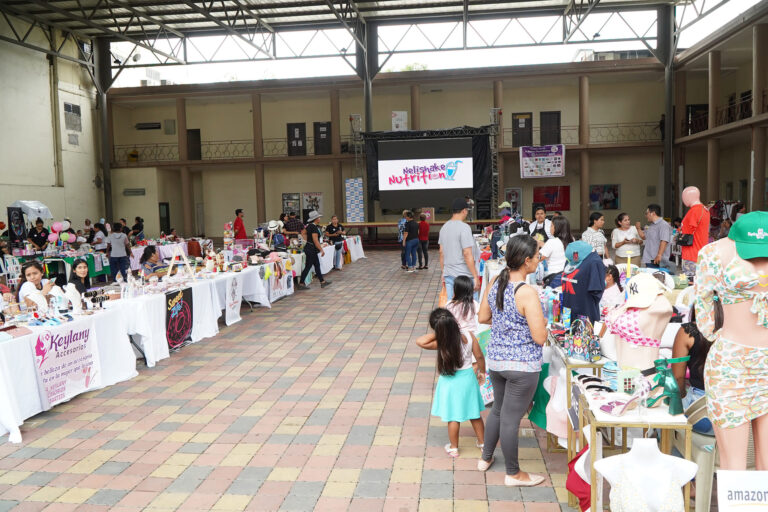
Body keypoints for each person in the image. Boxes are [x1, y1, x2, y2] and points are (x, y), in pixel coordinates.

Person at [477, 235, 547, 486]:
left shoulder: (497, 281)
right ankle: (513, 473)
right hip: (522, 366)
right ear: (527, 261)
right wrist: (543, 325)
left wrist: (506, 324)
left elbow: (483, 316)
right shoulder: (526, 291)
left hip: (496, 360)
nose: (540, 260)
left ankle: (485, 458)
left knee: (498, 410)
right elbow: (539, 337)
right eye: (538, 256)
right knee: (510, 418)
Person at [416, 308, 485, 458]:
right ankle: (483, 444)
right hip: (467, 378)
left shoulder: (442, 343)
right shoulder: (469, 335)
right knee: (475, 414)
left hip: (449, 381)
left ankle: (454, 448)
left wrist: (441, 332)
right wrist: (483, 372)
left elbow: (420, 341)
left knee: (453, 417)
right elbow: (479, 357)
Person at [671, 309, 714, 435]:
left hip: (701, 413)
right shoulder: (745, 331)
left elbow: (677, 378)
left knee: (665, 411)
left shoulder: (688, 331)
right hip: (742, 415)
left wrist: (682, 395)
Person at [439, 198, 481, 300]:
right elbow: (467, 253)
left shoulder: (444, 227)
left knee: (452, 308)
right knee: (470, 310)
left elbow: (441, 252)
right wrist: (475, 276)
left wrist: (443, 272)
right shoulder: (464, 227)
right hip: (464, 277)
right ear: (464, 211)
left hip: (449, 274)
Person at [561, 240, 605, 323]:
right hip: (567, 312)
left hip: (584, 314)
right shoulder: (570, 260)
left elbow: (596, 291)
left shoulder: (594, 263)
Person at [680, 186, 711, 282]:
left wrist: (680, 230)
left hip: (691, 253)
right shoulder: (705, 210)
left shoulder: (694, 211)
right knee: (699, 283)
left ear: (689, 197)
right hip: (700, 252)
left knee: (688, 283)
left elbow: (688, 229)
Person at [297, 211, 332, 290]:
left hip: (309, 248)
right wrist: (321, 250)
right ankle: (301, 283)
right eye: (318, 217)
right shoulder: (314, 227)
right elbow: (315, 241)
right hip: (311, 249)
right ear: (316, 219)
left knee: (316, 265)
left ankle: (322, 282)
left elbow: (303, 233)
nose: (320, 218)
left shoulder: (309, 226)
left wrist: (307, 241)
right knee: (309, 266)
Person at [636, 204, 673, 271]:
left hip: (658, 260)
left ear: (653, 213)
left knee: (659, 279)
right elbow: (644, 237)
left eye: (647, 213)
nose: (646, 216)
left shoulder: (663, 225)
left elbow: (664, 241)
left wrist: (659, 255)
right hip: (649, 259)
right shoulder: (652, 225)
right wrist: (638, 228)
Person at [539, 216, 572, 289]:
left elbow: (539, 258)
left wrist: (535, 246)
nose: (550, 228)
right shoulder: (572, 240)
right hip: (569, 276)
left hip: (555, 277)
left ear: (557, 228)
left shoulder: (552, 242)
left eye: (551, 225)